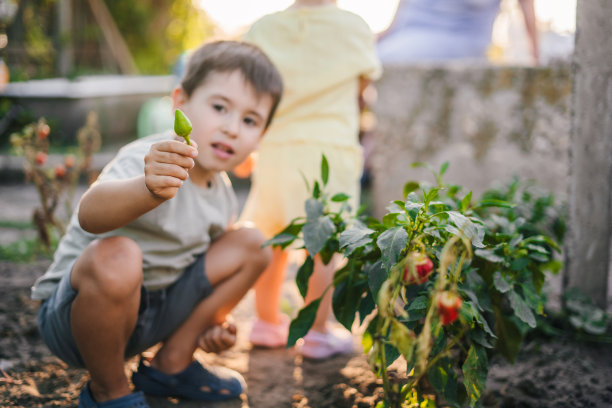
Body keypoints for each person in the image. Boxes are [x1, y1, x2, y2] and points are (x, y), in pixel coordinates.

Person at [30, 40, 283, 407]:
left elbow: (204, 272)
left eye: (249, 120)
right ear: (180, 101)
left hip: (150, 314)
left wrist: (212, 323)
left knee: (252, 243)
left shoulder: (222, 193)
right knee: (119, 255)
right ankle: (109, 391)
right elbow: (89, 214)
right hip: (74, 318)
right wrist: (147, 189)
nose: (231, 128)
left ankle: (172, 364)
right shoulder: (151, 158)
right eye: (219, 107)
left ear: (260, 138)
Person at [237, 0, 382, 359]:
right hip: (330, 149)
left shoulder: (263, 29)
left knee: (272, 237)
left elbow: (249, 90)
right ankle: (317, 334)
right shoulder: (354, 26)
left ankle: (267, 323)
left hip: (276, 146)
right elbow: (362, 92)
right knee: (325, 244)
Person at [377, 0, 539, 64]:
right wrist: (387, 32)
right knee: (362, 55)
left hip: (455, 36)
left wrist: (535, 56)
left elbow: (527, 10)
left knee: (374, 60)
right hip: (407, 34)